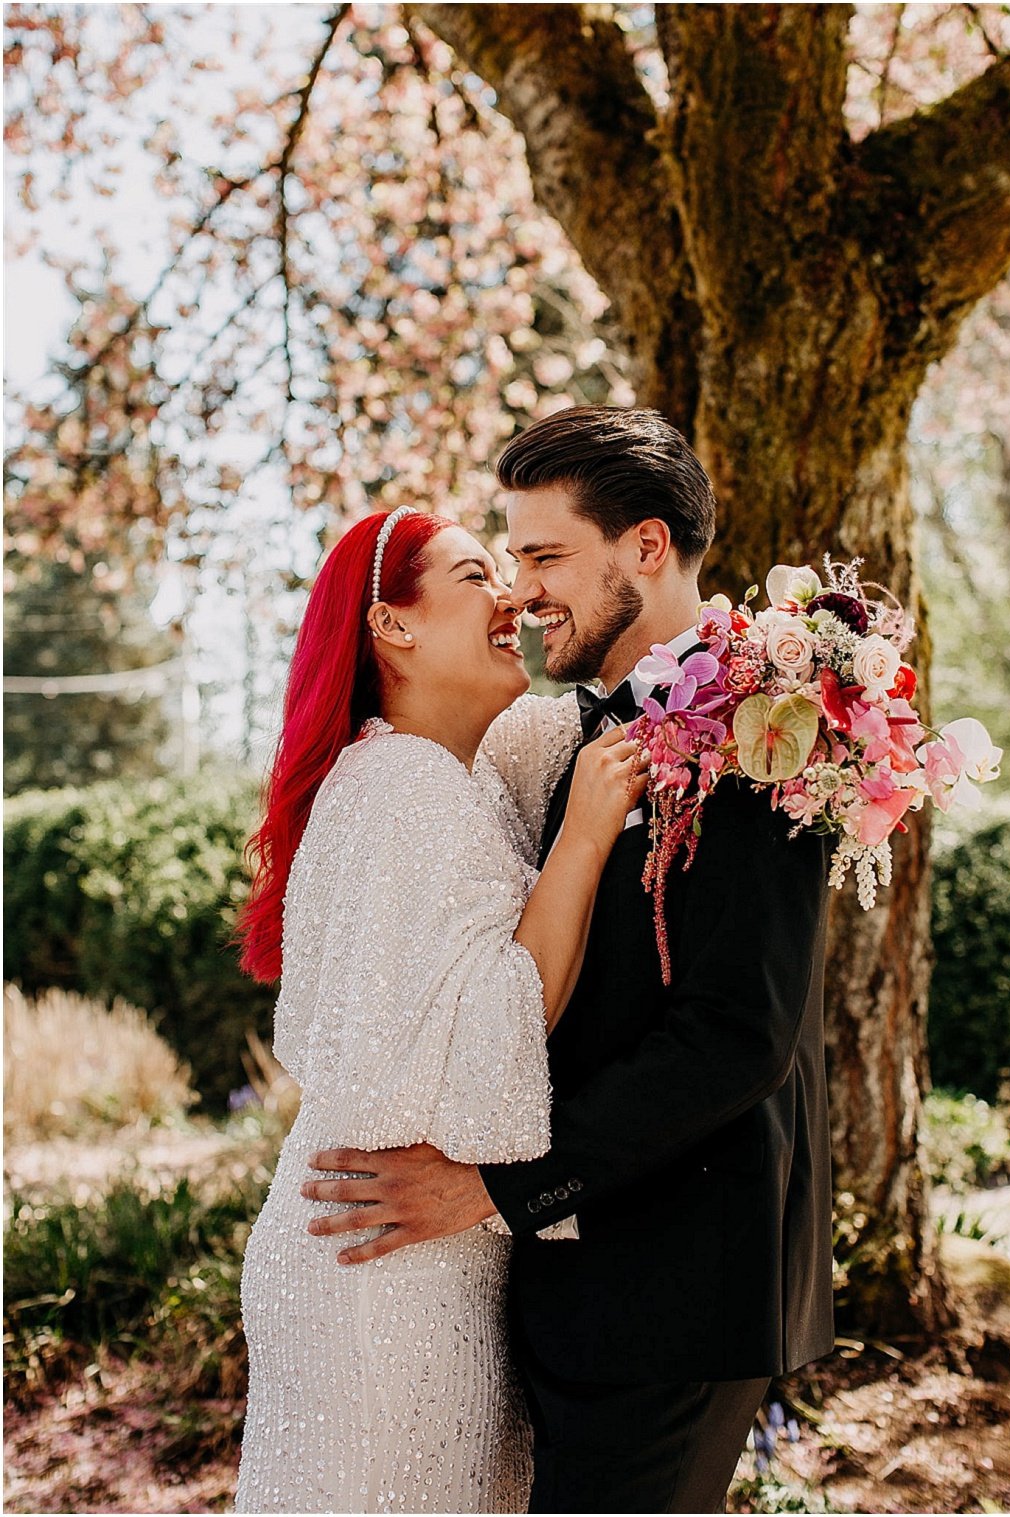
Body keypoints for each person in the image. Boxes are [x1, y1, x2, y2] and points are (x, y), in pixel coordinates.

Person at [296, 407, 836, 1514]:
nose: (521, 590)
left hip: (674, 1286)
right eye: (508, 558)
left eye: (544, 556)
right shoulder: (556, 738)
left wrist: (497, 1191)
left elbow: (738, 1035)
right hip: (565, 1293)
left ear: (644, 547)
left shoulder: (765, 725)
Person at [233, 506, 648, 1512]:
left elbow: (601, 701)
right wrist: (585, 840)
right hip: (381, 1273)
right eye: (475, 576)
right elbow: (496, 1028)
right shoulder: (403, 785)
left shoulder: (450, 773)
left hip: (403, 1245)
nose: (510, 593)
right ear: (393, 625)